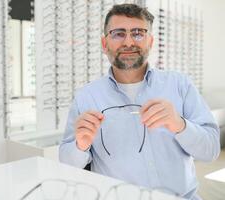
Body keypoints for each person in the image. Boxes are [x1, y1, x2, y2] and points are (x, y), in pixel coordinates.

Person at [59, 3, 220, 200]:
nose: (128, 42)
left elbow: (211, 150)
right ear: (104, 43)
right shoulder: (86, 97)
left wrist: (180, 125)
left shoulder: (180, 85)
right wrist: (80, 146)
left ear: (150, 41)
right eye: (118, 33)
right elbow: (66, 164)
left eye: (138, 33)